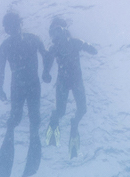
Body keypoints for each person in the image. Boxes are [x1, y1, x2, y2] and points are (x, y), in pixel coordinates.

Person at [0, 10, 47, 177]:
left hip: (32, 85)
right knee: (14, 120)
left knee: (34, 119)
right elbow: (0, 68)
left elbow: (46, 56)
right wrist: (0, 88)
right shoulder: (5, 46)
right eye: (10, 27)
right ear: (7, 29)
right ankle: (10, 155)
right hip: (18, 86)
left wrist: (46, 72)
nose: (13, 29)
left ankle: (32, 151)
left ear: (20, 24)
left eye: (15, 25)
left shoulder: (33, 39)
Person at [42, 16, 98, 158]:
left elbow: (92, 49)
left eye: (58, 30)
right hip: (64, 82)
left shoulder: (75, 42)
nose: (56, 35)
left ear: (65, 30)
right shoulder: (54, 48)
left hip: (75, 81)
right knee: (61, 112)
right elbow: (47, 67)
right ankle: (55, 119)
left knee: (82, 109)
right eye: (52, 32)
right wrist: (46, 73)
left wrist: (87, 46)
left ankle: (74, 124)